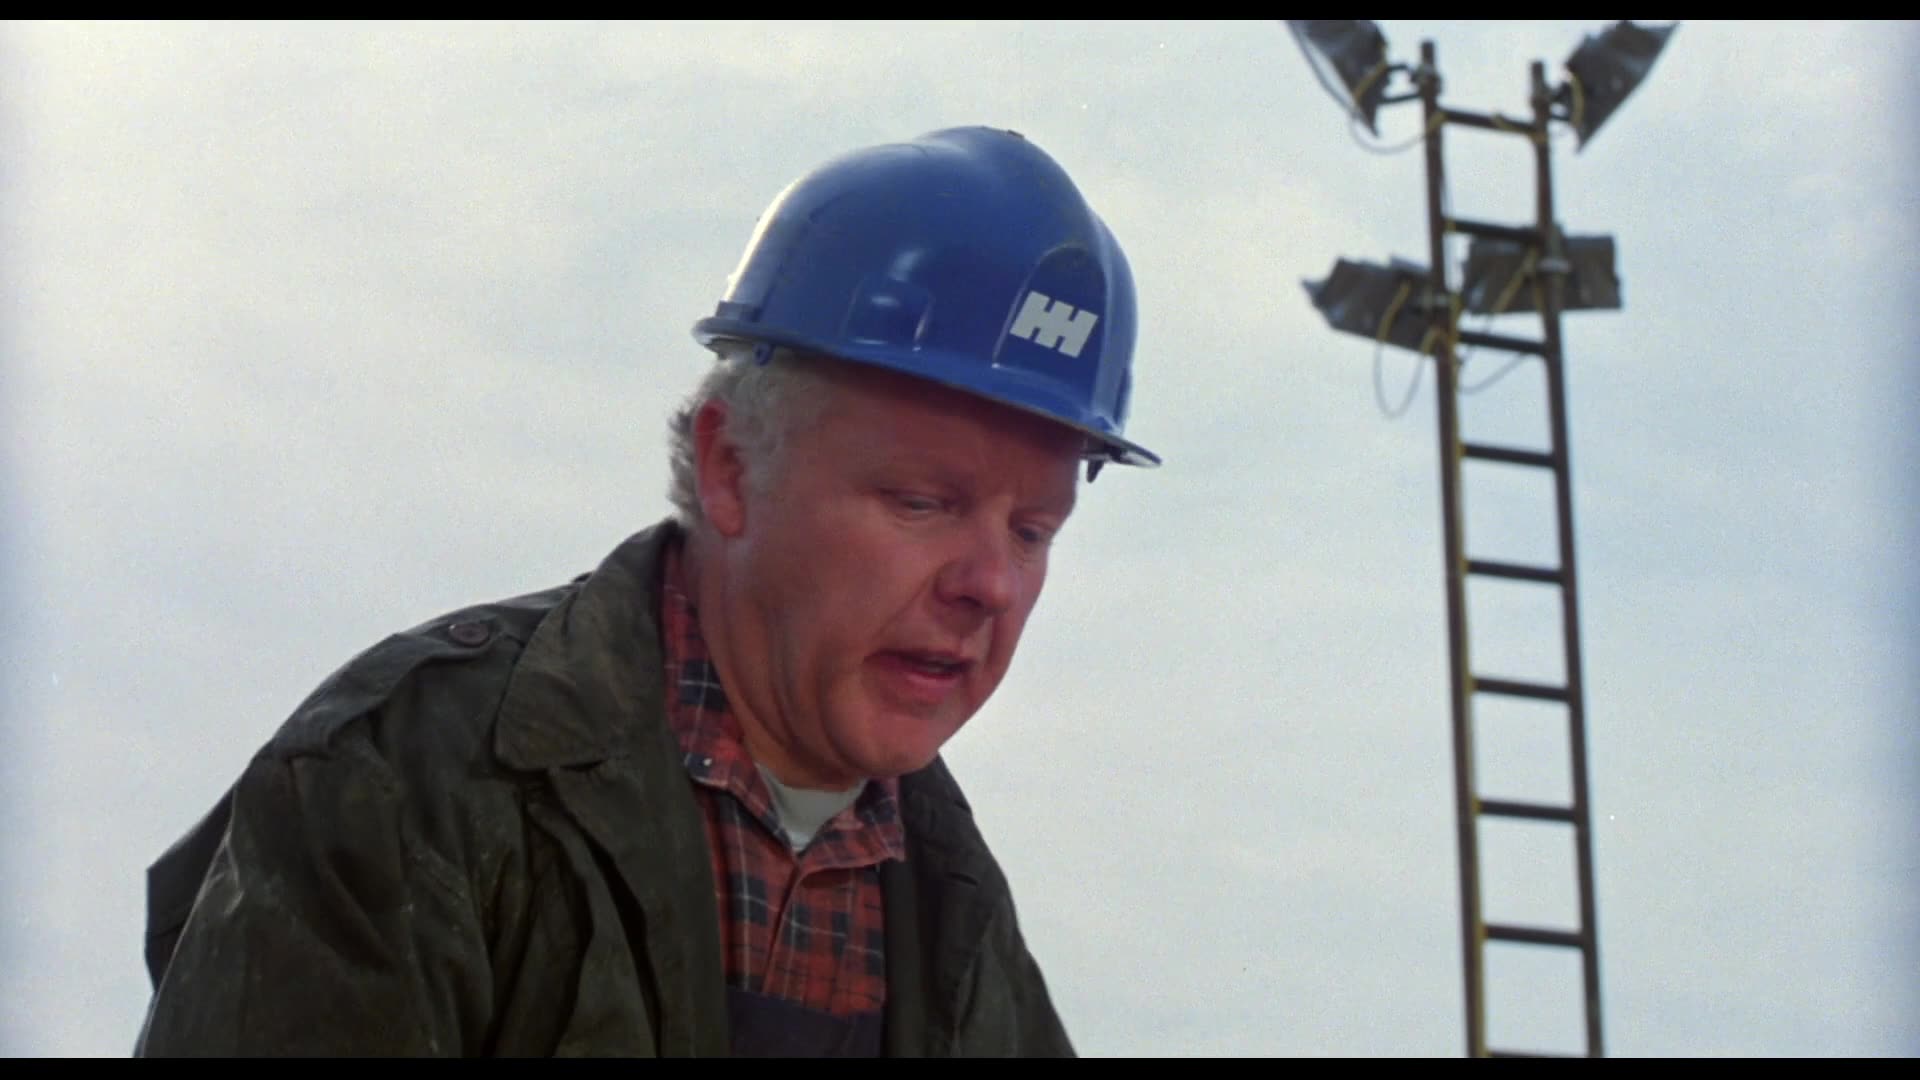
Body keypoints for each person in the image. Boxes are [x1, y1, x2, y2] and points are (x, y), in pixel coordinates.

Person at [133, 125, 1161, 1058]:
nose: (990, 585)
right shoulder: (403, 781)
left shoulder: (963, 926)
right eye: (922, 502)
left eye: (1034, 532)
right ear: (730, 468)